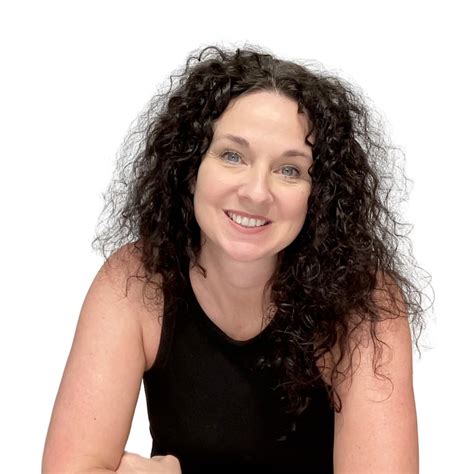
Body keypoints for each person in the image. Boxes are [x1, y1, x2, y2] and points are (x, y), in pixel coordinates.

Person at [42, 44, 428, 473]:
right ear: (190, 167)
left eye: (290, 169)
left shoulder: (364, 303)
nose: (257, 192)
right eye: (232, 156)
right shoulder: (137, 279)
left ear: (318, 196)